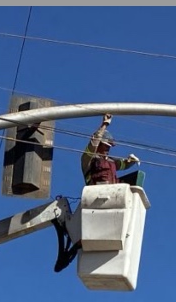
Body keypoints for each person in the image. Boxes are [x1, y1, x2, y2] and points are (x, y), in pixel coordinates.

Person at [54, 113, 143, 273]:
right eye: (105, 146)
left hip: (113, 204)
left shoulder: (111, 162)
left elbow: (122, 164)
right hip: (95, 202)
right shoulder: (87, 160)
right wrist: (104, 125)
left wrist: (130, 161)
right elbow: (92, 143)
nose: (107, 150)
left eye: (109, 148)